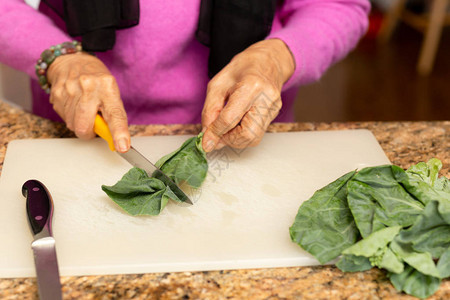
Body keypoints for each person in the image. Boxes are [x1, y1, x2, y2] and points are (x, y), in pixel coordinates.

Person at [0, 0, 370, 153]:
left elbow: (339, 6)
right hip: (75, 134)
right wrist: (57, 57)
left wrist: (277, 57)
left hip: (242, 140)